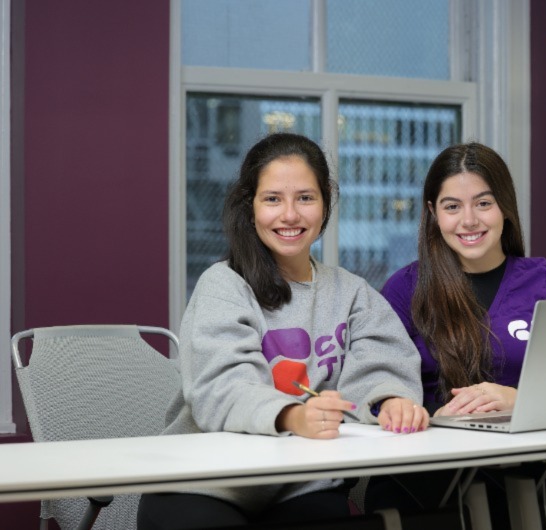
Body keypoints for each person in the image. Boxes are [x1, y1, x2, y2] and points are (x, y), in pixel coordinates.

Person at [138, 132, 428, 529]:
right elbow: (222, 389)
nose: (290, 215)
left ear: (326, 203)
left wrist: (390, 401)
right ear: (250, 206)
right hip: (205, 482)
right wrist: (293, 416)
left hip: (299, 485)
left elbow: (382, 366)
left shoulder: (352, 292)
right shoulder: (223, 284)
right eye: (273, 199)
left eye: (305, 198)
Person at [365, 142, 546, 520]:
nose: (469, 220)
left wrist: (520, 399)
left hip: (526, 474)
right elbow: (376, 374)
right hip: (430, 481)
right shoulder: (405, 289)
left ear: (505, 207)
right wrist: (393, 403)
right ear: (433, 212)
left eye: (483, 203)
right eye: (452, 206)